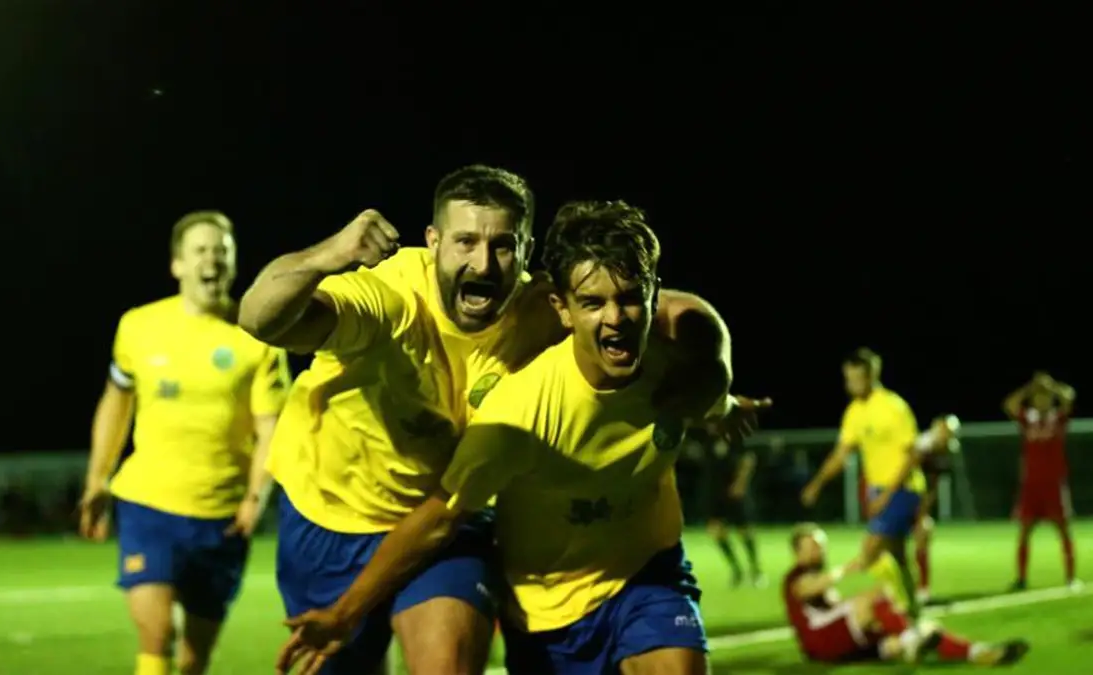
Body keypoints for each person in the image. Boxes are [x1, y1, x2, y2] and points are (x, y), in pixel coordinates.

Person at [238, 167, 761, 675]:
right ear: (433, 241)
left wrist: (716, 396)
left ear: (527, 251)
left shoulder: (544, 308)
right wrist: (327, 257)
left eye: (504, 245)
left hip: (448, 519)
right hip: (329, 515)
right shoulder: (389, 298)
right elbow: (261, 318)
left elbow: (676, 311)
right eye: (465, 242)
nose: (484, 263)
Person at [78, 211, 291, 675]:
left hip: (221, 516)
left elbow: (271, 428)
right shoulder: (138, 326)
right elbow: (116, 404)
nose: (211, 260)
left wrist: (257, 496)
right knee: (158, 635)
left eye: (221, 251)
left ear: (232, 265)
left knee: (195, 657)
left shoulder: (257, 336)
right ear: (177, 264)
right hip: (147, 506)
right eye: (200, 251)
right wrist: (98, 479)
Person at [784, 523, 1029, 666]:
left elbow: (833, 606)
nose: (820, 550)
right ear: (797, 552)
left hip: (840, 644)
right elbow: (809, 588)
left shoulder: (817, 578)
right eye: (813, 546)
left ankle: (979, 652)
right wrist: (849, 568)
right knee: (877, 595)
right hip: (822, 643)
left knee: (924, 631)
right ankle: (911, 636)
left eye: (821, 545)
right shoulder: (795, 577)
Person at [801, 348, 924, 615]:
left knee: (870, 552)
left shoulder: (893, 406)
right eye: (848, 378)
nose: (851, 384)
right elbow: (841, 454)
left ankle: (891, 611)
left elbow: (912, 454)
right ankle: (912, 608)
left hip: (903, 488)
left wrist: (885, 495)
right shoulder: (855, 411)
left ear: (872, 376)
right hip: (880, 491)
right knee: (897, 555)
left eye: (856, 378)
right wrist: (817, 483)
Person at [1002, 372, 1078, 591]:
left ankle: (1071, 578)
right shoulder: (1028, 419)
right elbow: (1009, 404)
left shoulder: (1058, 418)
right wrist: (1029, 387)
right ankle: (1021, 578)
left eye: (1045, 397)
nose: (1041, 400)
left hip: (1054, 484)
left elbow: (1070, 397)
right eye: (1038, 397)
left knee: (1064, 530)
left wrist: (1051, 386)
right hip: (1031, 485)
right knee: (1024, 532)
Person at [690, 423, 763, 587]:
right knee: (717, 531)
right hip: (713, 491)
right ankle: (736, 570)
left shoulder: (736, 433)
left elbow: (748, 459)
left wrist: (741, 483)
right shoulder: (701, 436)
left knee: (744, 530)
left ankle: (755, 570)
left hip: (734, 490)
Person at [911, 414, 961, 604]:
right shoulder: (920, 448)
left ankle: (922, 590)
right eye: (944, 431)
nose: (947, 436)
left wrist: (922, 512)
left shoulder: (944, 453)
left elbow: (932, 487)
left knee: (924, 533)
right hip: (898, 497)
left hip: (916, 499)